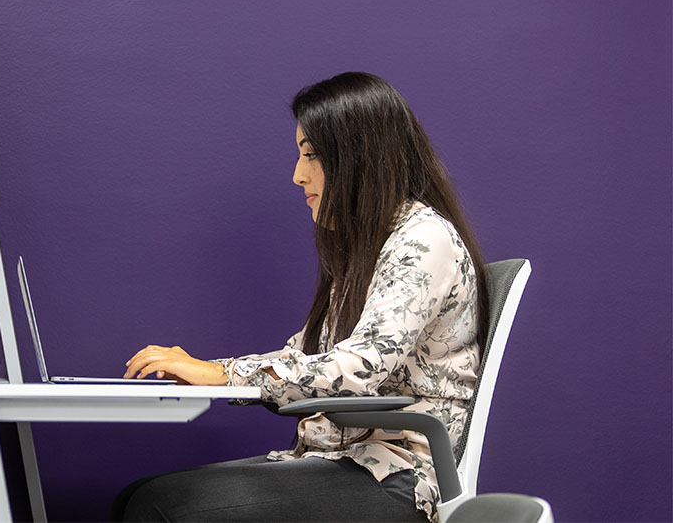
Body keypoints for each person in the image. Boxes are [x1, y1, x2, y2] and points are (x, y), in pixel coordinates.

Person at [111, 72, 489, 523]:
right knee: (138, 496)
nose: (297, 175)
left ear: (359, 158)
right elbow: (305, 357)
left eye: (311, 155)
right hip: (337, 459)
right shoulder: (366, 246)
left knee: (158, 507)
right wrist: (211, 372)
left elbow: (356, 368)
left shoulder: (421, 240)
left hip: (397, 476)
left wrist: (219, 373)